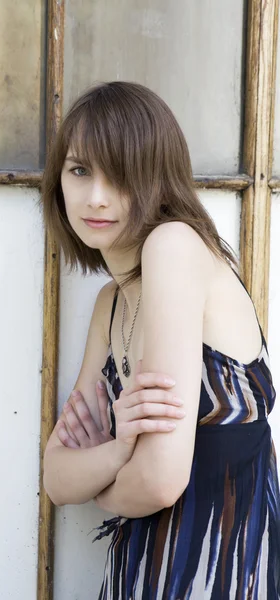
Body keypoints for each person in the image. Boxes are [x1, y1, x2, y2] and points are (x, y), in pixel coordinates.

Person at [41, 81, 280, 599]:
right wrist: (121, 449)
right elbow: (58, 478)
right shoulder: (110, 303)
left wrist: (101, 485)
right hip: (140, 574)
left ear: (156, 176)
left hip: (220, 574)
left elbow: (159, 480)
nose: (96, 196)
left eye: (120, 174)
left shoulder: (173, 247)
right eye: (79, 170)